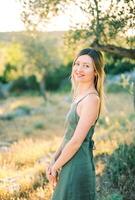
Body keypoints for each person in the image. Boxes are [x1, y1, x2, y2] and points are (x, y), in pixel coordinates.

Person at [46, 48, 106, 200]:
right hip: (67, 160)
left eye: (86, 66)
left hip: (78, 164)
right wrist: (54, 157)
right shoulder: (79, 95)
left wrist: (55, 166)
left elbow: (76, 142)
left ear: (96, 72)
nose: (79, 69)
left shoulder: (92, 100)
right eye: (77, 64)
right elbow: (68, 135)